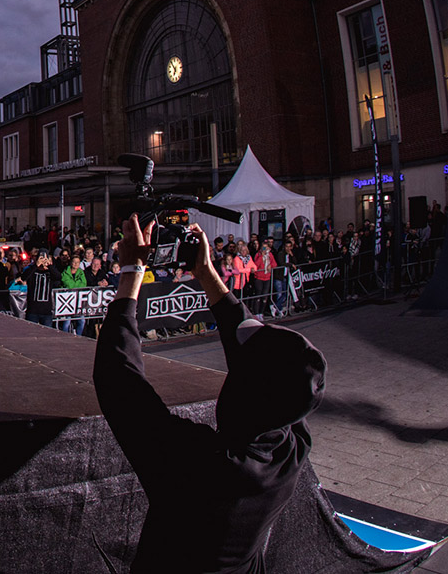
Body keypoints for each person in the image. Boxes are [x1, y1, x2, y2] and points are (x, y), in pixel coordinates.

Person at [94, 215, 327, 573]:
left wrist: (131, 271)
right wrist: (205, 272)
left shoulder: (203, 466)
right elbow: (261, 365)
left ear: (245, 390)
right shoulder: (292, 444)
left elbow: (119, 380)